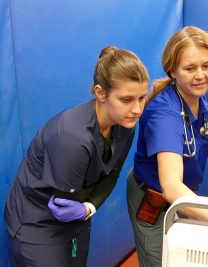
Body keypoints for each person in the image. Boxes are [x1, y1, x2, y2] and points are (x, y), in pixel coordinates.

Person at [126, 26, 208, 267]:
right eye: (190, 68)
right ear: (172, 70)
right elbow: (170, 185)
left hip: (184, 198)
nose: (200, 75)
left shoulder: (204, 96)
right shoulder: (165, 115)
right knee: (163, 261)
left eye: (206, 65)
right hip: (156, 202)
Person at [4, 46, 149, 266]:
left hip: (79, 212)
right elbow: (63, 205)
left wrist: (88, 209)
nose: (137, 109)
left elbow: (112, 175)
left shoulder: (125, 123)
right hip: (38, 223)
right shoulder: (72, 138)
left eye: (141, 98)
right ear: (100, 93)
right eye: (127, 99)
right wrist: (82, 208)